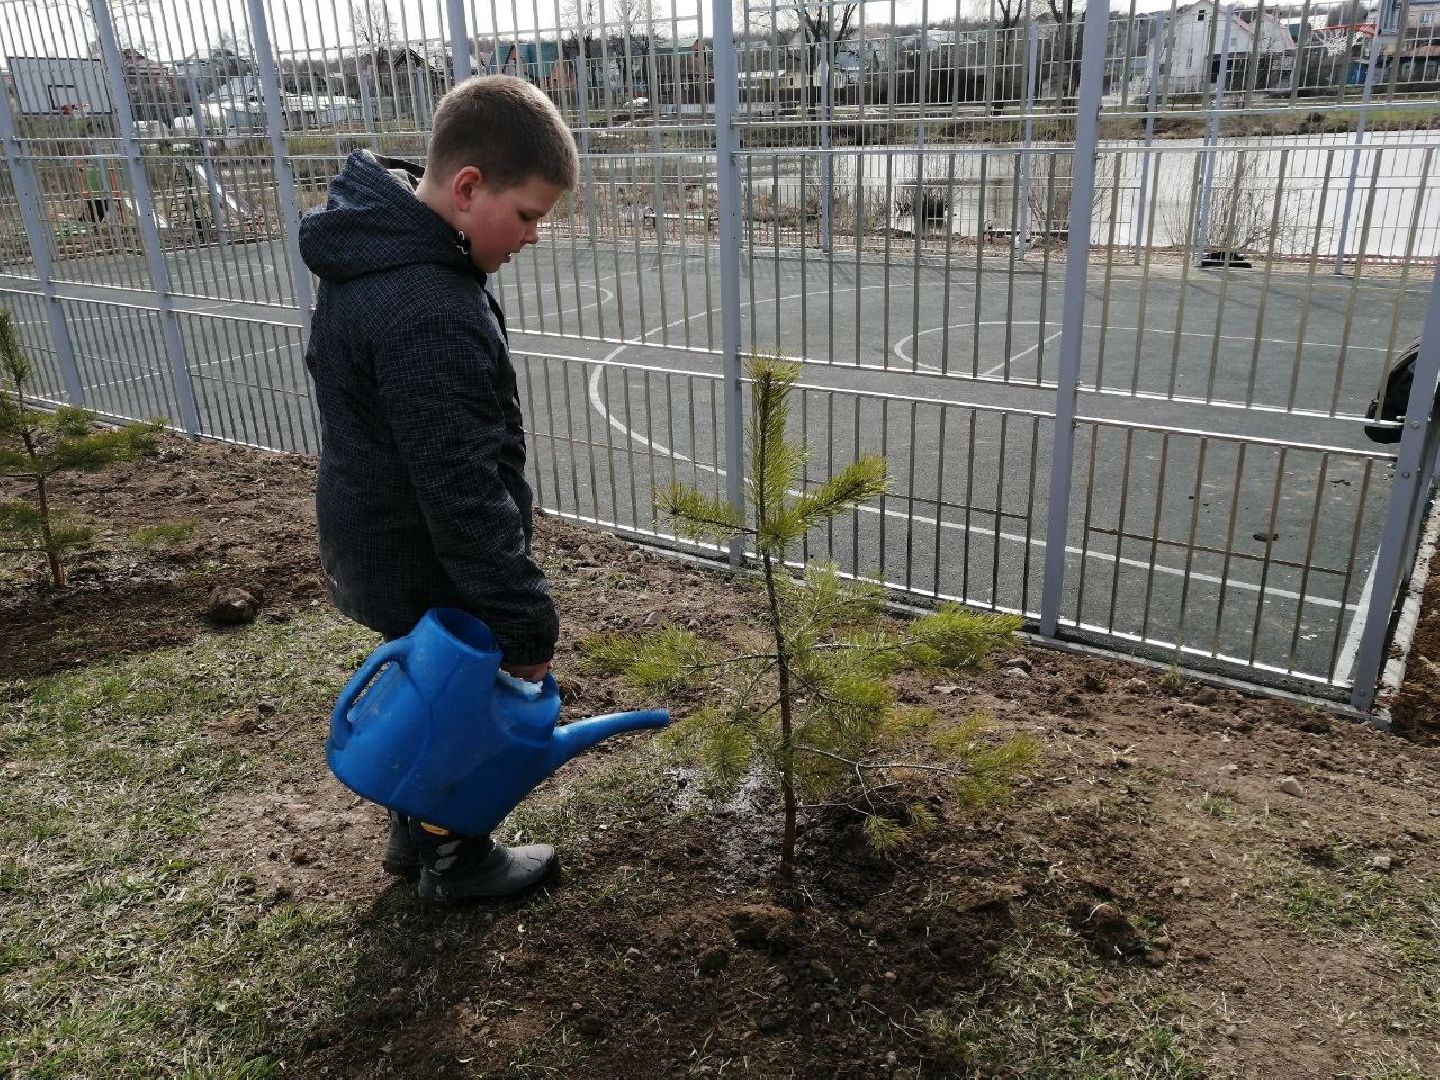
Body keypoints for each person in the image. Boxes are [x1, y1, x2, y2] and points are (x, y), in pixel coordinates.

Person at [300, 75, 578, 903]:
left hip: (374, 532)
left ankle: (407, 833)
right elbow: (458, 487)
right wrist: (520, 613)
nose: (531, 236)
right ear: (466, 188)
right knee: (461, 703)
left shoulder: (378, 250)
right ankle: (459, 859)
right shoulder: (428, 306)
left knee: (424, 684)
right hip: (423, 549)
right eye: (526, 215)